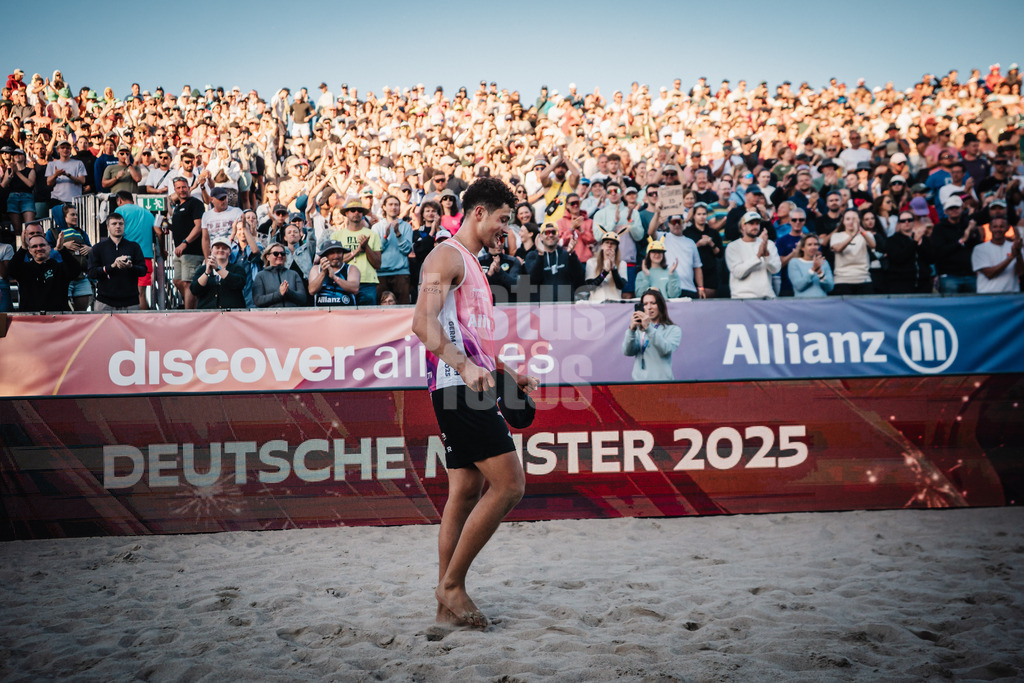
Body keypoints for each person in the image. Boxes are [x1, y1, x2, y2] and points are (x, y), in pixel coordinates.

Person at [411, 176, 538, 629]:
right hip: (457, 385)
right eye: (503, 219)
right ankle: (452, 585)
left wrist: (507, 372)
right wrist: (466, 369)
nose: (507, 228)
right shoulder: (445, 255)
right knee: (510, 485)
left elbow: (473, 342)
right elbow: (421, 324)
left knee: (465, 490)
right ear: (478, 212)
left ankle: (446, 606)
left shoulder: (473, 264)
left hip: (467, 383)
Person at [87, 213, 147, 311]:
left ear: (124, 226)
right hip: (104, 302)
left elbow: (143, 270)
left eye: (121, 224)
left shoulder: (134, 246)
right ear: (107, 227)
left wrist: (131, 267)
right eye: (114, 224)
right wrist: (112, 266)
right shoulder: (98, 248)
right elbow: (92, 273)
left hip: (130, 302)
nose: (118, 226)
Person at [328, 198, 381, 305]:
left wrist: (366, 247)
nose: (356, 213)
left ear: (363, 214)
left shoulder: (372, 234)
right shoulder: (337, 235)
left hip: (367, 282)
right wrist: (357, 251)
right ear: (346, 213)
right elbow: (334, 261)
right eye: (353, 210)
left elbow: (377, 264)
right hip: (344, 281)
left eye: (359, 210)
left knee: (368, 318)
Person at [9, 233, 80, 312]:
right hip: (30, 319)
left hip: (58, 318)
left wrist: (62, 249)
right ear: (30, 251)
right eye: (34, 246)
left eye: (42, 245)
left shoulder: (60, 267)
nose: (39, 248)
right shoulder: (25, 268)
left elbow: (75, 270)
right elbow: (11, 270)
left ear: (49, 248)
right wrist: (23, 248)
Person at [622, 287, 681, 381]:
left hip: (662, 383)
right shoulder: (638, 331)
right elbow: (627, 352)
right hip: (638, 383)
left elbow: (665, 350)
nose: (649, 307)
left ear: (660, 306)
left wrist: (648, 328)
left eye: (653, 303)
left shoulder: (673, 329)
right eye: (645, 304)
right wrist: (631, 330)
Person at [113, 191, 158, 309]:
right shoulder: (148, 213)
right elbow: (158, 233)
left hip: (125, 257)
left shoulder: (119, 211)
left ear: (119, 201)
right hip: (146, 257)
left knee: (125, 293)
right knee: (141, 294)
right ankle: (145, 324)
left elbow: (115, 233)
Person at [725, 211, 781, 299]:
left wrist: (766, 255)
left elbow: (776, 269)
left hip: (766, 296)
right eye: (751, 223)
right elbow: (738, 273)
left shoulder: (768, 244)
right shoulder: (733, 246)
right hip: (742, 297)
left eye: (757, 223)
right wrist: (758, 256)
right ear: (743, 226)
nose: (755, 226)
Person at [523, 223, 584, 302]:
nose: (550, 235)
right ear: (541, 236)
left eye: (554, 232)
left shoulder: (566, 254)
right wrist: (540, 255)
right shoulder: (532, 256)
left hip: (565, 305)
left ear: (558, 236)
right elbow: (532, 281)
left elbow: (580, 277)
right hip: (542, 307)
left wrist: (572, 254)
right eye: (547, 232)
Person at [169, 177, 205, 309]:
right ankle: (193, 305)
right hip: (180, 251)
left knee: (188, 283)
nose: (181, 190)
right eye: (178, 188)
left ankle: (189, 313)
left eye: (184, 187)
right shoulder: (178, 206)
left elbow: (199, 226)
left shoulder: (195, 203)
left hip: (192, 251)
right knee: (177, 281)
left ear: (189, 187)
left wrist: (185, 243)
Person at [372, 194, 413, 304]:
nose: (393, 207)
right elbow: (376, 251)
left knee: (403, 308)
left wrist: (398, 234)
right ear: (384, 207)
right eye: (390, 204)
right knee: (381, 310)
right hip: (381, 274)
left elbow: (407, 250)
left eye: (396, 205)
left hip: (401, 272)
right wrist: (385, 237)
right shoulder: (376, 227)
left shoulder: (406, 226)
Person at [190, 236, 247, 309]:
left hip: (232, 314)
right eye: (217, 247)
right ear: (211, 250)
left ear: (230, 252)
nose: (221, 250)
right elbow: (194, 290)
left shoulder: (237, 268)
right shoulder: (202, 270)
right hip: (207, 315)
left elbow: (239, 283)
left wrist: (218, 268)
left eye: (224, 248)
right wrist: (206, 273)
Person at [830, 209, 875, 295]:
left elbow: (873, 245)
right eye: (848, 219)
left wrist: (861, 231)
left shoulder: (866, 234)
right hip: (842, 280)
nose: (851, 222)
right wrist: (852, 235)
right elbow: (838, 248)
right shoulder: (836, 236)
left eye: (854, 219)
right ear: (843, 222)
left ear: (859, 220)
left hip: (863, 279)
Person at [972, 216, 1022, 293]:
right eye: (995, 227)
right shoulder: (980, 249)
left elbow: (1021, 272)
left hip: (1011, 295)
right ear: (989, 228)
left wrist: (1018, 255)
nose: (998, 229)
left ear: (1008, 228)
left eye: (1001, 226)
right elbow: (989, 274)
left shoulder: (1015, 246)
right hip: (987, 296)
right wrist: (1011, 257)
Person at [887, 211, 933, 294]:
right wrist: (914, 243)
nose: (906, 222)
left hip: (923, 284)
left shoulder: (923, 238)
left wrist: (920, 245)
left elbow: (931, 258)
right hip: (902, 285)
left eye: (909, 220)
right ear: (899, 223)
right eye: (903, 221)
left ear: (913, 222)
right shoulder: (892, 240)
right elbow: (898, 259)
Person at [308, 239, 359, 306]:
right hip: (322, 313)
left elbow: (355, 289)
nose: (336, 256)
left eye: (339, 252)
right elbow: (312, 290)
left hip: (346, 313)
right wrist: (323, 273)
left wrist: (335, 277)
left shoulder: (351, 268)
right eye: (332, 253)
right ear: (325, 255)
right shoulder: (316, 269)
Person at [582, 232, 628, 302]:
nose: (609, 245)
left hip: (614, 302)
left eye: (612, 243)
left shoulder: (622, 264)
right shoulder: (592, 262)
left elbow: (620, 286)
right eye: (607, 242)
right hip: (596, 302)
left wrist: (613, 268)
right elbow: (591, 286)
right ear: (602, 245)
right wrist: (605, 272)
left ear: (616, 247)